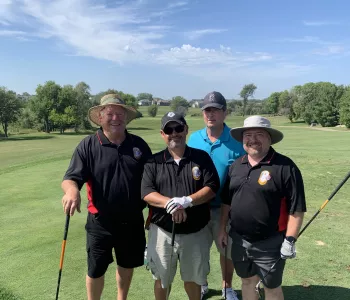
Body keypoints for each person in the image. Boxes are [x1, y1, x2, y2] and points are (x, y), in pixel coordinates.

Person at [61, 94, 152, 300]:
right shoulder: (88, 145)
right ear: (100, 117)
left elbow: (153, 180)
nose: (115, 118)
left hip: (132, 220)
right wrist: (72, 190)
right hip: (100, 222)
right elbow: (70, 178)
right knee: (96, 269)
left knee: (126, 265)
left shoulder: (138, 145)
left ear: (126, 118)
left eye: (120, 114)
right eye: (109, 113)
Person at [219, 115, 307, 300]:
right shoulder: (236, 166)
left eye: (259, 134)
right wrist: (221, 230)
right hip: (239, 240)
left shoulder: (285, 167)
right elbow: (227, 202)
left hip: (270, 243)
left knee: (271, 287)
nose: (252, 139)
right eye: (248, 135)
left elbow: (296, 208)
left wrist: (290, 240)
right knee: (247, 282)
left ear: (269, 137)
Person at [141, 111, 220, 300]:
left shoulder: (201, 158)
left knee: (193, 280)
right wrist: (170, 203)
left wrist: (187, 201)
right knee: (162, 279)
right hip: (162, 232)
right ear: (162, 134)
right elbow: (146, 192)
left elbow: (212, 187)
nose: (174, 133)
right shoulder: (153, 161)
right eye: (169, 129)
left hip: (196, 231)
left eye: (178, 128)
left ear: (186, 130)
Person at [187, 91, 245, 300]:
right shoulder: (194, 139)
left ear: (225, 113)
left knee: (226, 250)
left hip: (227, 209)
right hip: (198, 208)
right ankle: (202, 284)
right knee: (199, 251)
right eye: (207, 110)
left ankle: (227, 287)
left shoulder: (237, 141)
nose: (211, 114)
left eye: (216, 110)